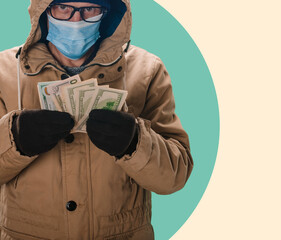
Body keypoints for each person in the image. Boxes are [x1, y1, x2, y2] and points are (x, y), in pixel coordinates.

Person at [0, 0, 193, 239]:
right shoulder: (3, 70)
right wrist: (14, 138)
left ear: (107, 12)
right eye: (64, 7)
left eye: (89, 8)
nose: (76, 20)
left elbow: (174, 177)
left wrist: (135, 142)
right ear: (44, 10)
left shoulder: (147, 70)